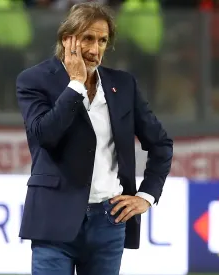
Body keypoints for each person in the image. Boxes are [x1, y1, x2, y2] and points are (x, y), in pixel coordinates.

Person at [15, 3, 173, 275]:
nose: (95, 49)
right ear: (67, 39)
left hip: (109, 222)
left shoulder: (123, 85)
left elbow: (160, 144)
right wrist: (75, 84)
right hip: (54, 220)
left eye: (102, 41)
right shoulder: (33, 80)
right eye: (88, 38)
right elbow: (45, 135)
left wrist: (146, 196)